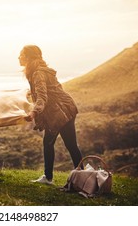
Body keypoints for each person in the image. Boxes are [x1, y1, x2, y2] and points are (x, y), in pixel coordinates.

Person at [19, 45, 82, 185]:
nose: (19, 57)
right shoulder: (42, 71)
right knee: (71, 145)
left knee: (49, 143)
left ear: (29, 57)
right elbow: (49, 91)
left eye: (21, 54)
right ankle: (82, 177)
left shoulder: (37, 73)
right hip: (67, 108)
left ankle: (48, 178)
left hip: (59, 113)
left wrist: (34, 112)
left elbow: (42, 97)